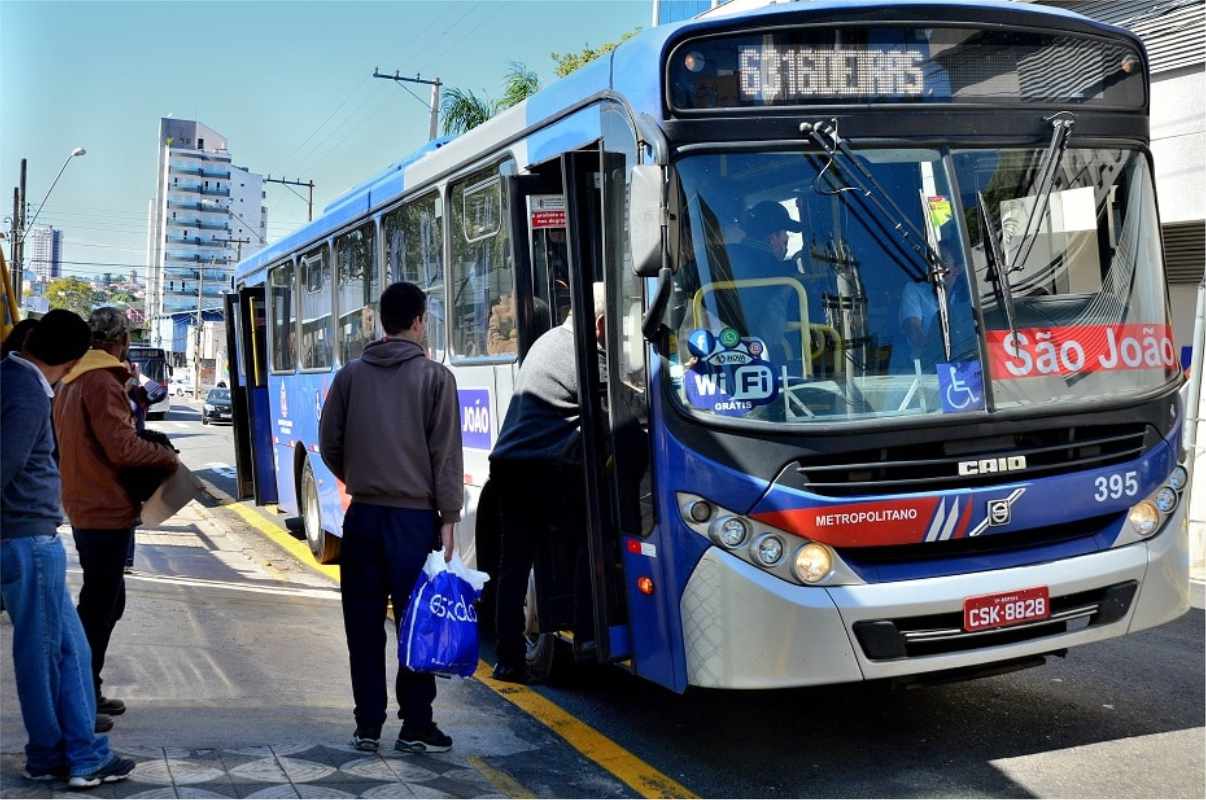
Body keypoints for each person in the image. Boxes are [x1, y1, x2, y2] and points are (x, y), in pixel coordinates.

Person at [319, 282, 463, 755]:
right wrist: (448, 517)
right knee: (414, 623)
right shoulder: (436, 378)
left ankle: (367, 726)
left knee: (362, 624)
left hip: (361, 518)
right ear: (419, 321)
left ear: (383, 321)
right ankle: (416, 723)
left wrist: (361, 477)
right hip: (414, 521)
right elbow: (445, 455)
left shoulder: (349, 376)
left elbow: (329, 444)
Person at [2, 310, 137, 788]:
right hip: (28, 540)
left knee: (70, 651)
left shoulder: (18, 381)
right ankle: (64, 756)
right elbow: (7, 465)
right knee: (46, 656)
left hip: (31, 538)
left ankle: (77, 751)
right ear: (73, 356)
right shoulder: (24, 391)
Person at [54, 308, 179, 722]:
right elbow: (122, 448)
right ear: (120, 342)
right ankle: (81, 697)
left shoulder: (72, 380)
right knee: (99, 604)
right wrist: (166, 458)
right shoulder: (101, 382)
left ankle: (88, 688)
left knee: (106, 599)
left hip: (84, 501)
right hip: (104, 506)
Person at [487, 283, 606, 684]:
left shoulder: (548, 340)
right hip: (539, 469)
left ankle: (508, 660)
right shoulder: (585, 355)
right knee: (588, 540)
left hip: (508, 464)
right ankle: (589, 637)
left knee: (514, 564)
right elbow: (625, 401)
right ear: (601, 323)